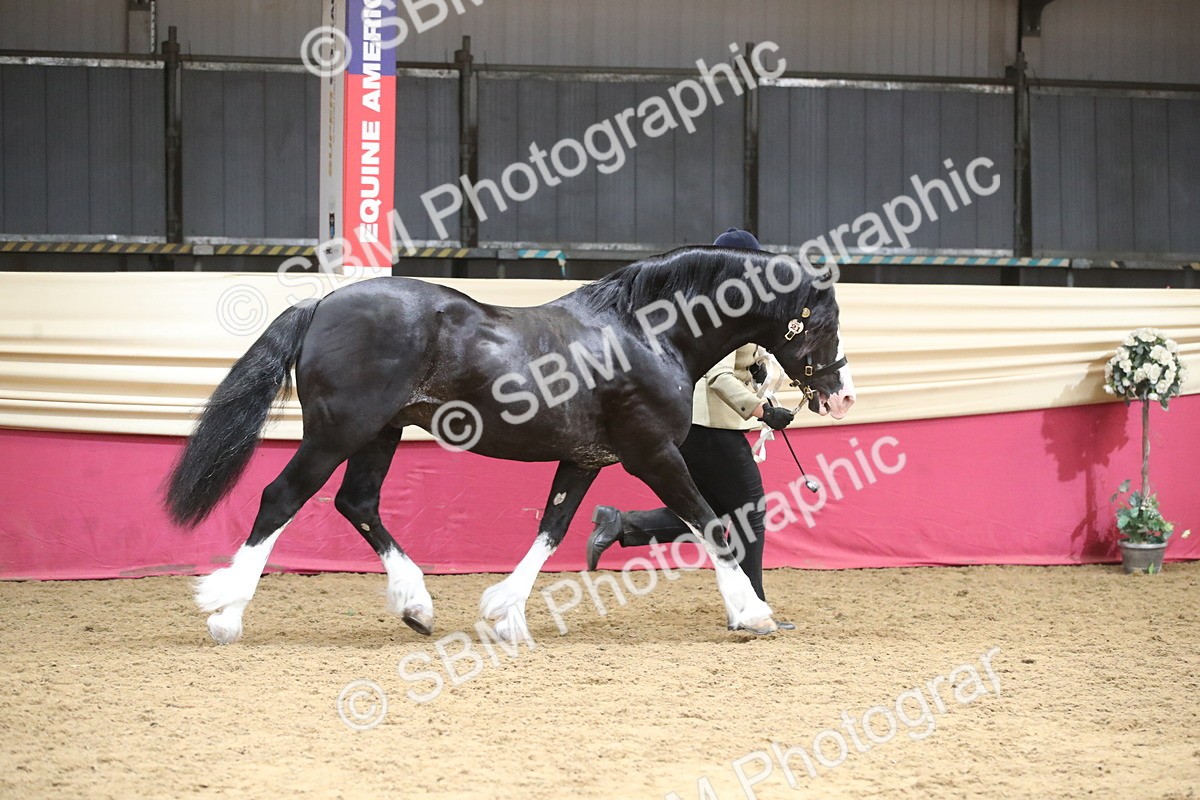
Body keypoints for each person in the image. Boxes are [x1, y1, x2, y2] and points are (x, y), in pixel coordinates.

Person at [586, 228, 797, 628]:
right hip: (709, 424)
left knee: (711, 513)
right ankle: (748, 608)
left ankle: (623, 524)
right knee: (750, 513)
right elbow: (717, 377)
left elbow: (730, 367)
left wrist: (757, 370)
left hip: (699, 424)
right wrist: (761, 411)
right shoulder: (727, 307)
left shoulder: (708, 302)